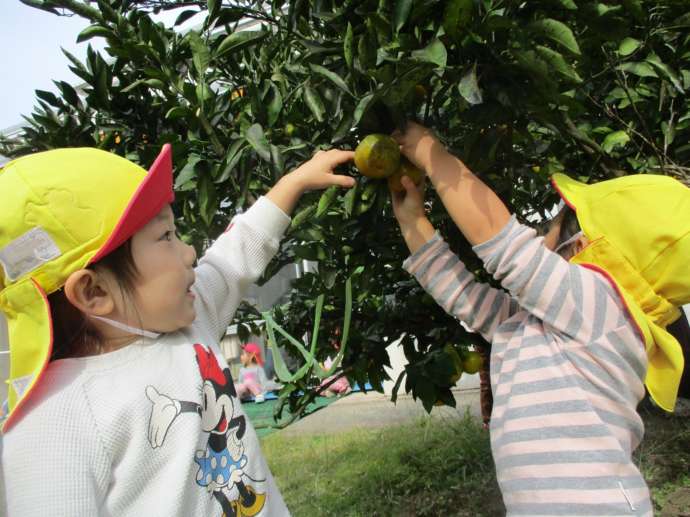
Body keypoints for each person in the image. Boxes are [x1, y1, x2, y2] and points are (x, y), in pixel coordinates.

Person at [0, 144, 354, 516]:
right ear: (94, 292)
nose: (189, 253)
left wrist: (294, 181)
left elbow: (234, 256)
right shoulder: (54, 420)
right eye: (166, 237)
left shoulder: (187, 322)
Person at [390, 121, 690, 516]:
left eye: (549, 228)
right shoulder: (546, 325)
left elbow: (503, 245)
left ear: (582, 246)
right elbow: (464, 298)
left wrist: (433, 155)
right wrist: (412, 221)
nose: (536, 233)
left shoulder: (600, 309)